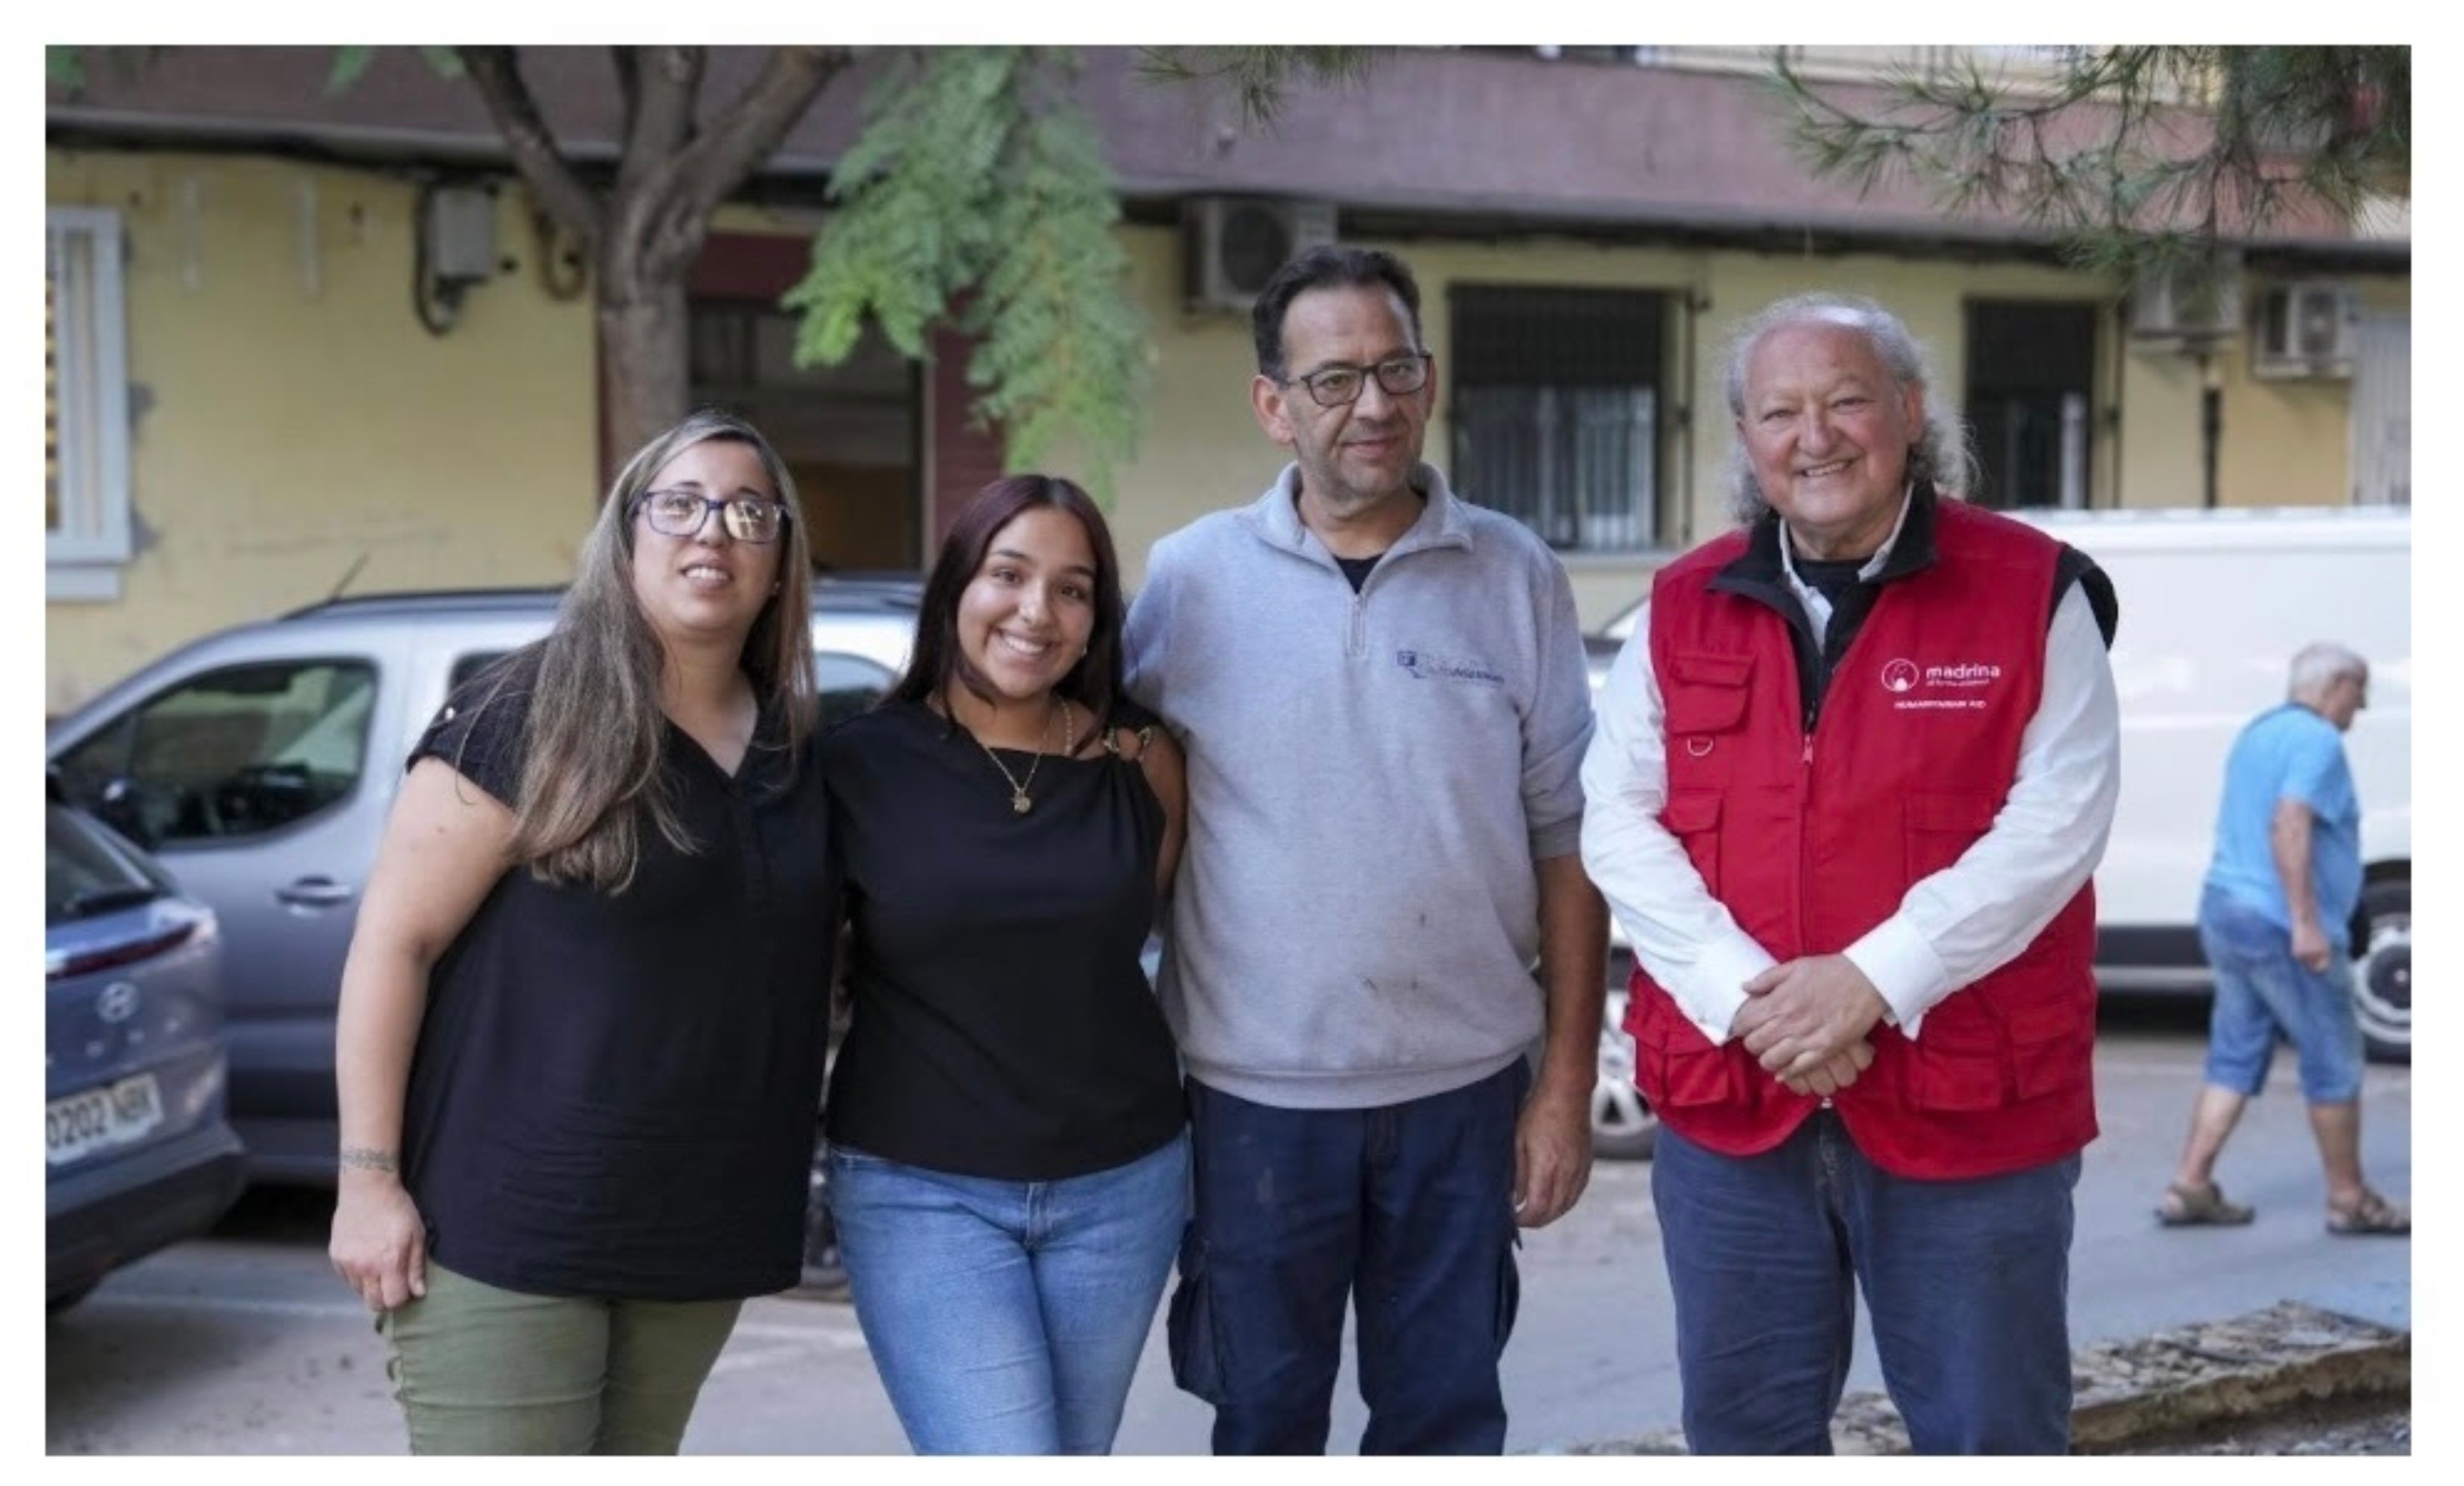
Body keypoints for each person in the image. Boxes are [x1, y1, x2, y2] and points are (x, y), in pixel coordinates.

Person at [1580, 291, 2123, 1455]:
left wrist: (1869, 979)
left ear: (1911, 413)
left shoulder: (2036, 589)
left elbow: (2058, 823)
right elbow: (1616, 820)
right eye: (1780, 410)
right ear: (1746, 437)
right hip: (1738, 1110)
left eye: (1845, 401)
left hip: (1969, 1110)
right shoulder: (1681, 606)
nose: (1813, 435)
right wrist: (1752, 997)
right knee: (1745, 1439)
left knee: (1992, 1436)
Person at [1123, 244, 1606, 1456]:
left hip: (1463, 1097)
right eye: (1335, 380)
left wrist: (1560, 1087)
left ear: (1431, 380)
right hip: (1253, 1104)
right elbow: (1124, 822)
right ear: (1272, 405)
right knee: (1265, 1418)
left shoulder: (1516, 573)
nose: (1374, 405)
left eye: (1396, 369)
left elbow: (1568, 845)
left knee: (1444, 1423)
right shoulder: (1189, 583)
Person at [327, 409, 834, 1454]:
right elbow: (393, 944)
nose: (714, 532)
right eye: (681, 504)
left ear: (781, 561)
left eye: (750, 512)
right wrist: (368, 1179)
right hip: (507, 1228)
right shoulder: (526, 710)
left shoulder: (798, 750)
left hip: (697, 1233)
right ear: (629, 537)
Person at [821, 475, 1190, 1455]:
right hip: (921, 1185)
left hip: (1127, 1181)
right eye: (1009, 574)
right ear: (956, 588)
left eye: (1073, 589)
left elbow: (1143, 928)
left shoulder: (1139, 758)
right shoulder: (855, 763)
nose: (1038, 612)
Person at [2157, 643, 2409, 1235]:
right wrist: (2306, 922)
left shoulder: (2257, 733)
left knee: (2235, 1051)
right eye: (2360, 691)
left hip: (2226, 909)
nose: (2363, 706)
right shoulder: (2318, 741)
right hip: (2277, 923)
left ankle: (2190, 1183)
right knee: (2334, 1059)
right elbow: (2289, 822)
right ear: (2337, 683)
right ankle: (2349, 1198)